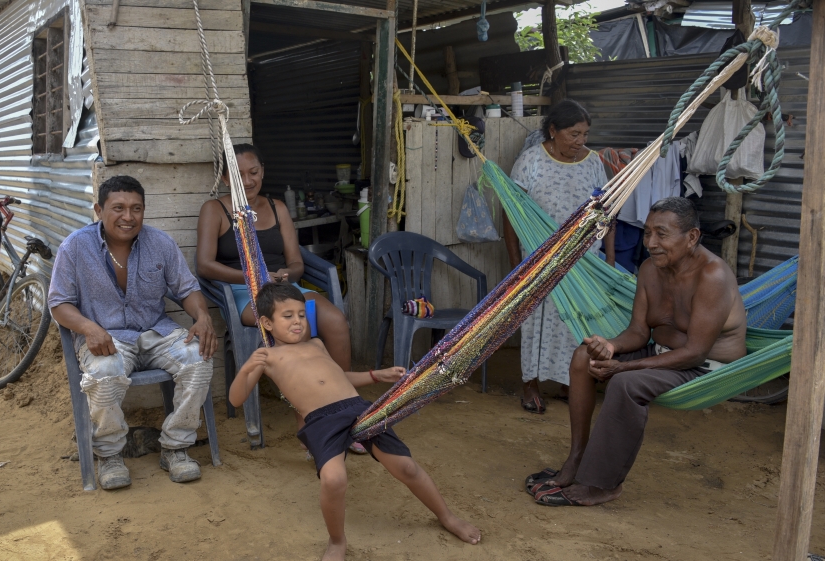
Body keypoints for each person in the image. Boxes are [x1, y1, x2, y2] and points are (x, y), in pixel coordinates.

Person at [229, 282, 481, 560]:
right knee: (334, 479)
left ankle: (447, 516)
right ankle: (337, 541)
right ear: (266, 322)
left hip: (357, 409)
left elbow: (340, 377)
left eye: (301, 314)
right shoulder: (268, 358)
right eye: (287, 316)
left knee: (407, 467)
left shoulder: (317, 343)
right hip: (321, 421)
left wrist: (376, 375)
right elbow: (235, 399)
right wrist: (249, 367)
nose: (297, 322)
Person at [526, 197, 747, 506]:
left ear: (692, 237)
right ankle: (576, 458)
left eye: (662, 233)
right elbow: (639, 331)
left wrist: (625, 367)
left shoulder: (713, 276)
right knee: (583, 356)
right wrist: (611, 347)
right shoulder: (650, 269)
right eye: (647, 233)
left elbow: (696, 352)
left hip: (706, 366)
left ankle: (603, 485)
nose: (652, 243)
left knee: (626, 385)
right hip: (662, 352)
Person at [48, 175, 218, 490]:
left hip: (155, 333)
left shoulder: (160, 243)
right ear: (99, 210)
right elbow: (58, 303)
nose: (128, 217)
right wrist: (88, 327)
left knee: (198, 356)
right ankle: (110, 456)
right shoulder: (75, 246)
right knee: (106, 371)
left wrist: (203, 315)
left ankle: (175, 448)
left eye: (136, 208)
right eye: (119, 208)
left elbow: (187, 289)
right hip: (106, 339)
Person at [196, 144, 362, 453]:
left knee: (335, 320)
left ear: (263, 172)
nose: (247, 181)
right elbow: (204, 265)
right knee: (295, 328)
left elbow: (297, 263)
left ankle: (344, 410)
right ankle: (312, 417)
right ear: (224, 179)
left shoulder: (277, 208)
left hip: (283, 288)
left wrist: (286, 274)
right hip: (244, 292)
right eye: (238, 174)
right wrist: (254, 277)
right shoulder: (216, 210)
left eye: (254, 172)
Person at [504, 99, 615, 414]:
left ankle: (572, 383)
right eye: (573, 134)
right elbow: (511, 214)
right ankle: (531, 385)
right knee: (536, 322)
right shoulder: (531, 161)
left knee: (578, 324)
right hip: (540, 262)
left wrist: (607, 260)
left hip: (584, 261)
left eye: (585, 134)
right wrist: (517, 264)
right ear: (553, 130)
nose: (580, 141)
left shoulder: (594, 163)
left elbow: (605, 213)